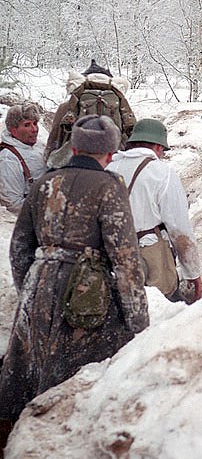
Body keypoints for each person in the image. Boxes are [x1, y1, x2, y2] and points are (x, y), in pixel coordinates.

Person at [0, 114, 149, 435]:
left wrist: (33, 287)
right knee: (80, 377)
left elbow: (19, 248)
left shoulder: (45, 182)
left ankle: (13, 439)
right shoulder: (110, 187)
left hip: (39, 283)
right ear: (109, 154)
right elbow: (124, 258)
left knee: (27, 367)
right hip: (86, 293)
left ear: (74, 148)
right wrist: (138, 321)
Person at [107, 118, 202, 303]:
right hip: (149, 258)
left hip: (111, 253)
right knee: (165, 311)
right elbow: (179, 229)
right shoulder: (162, 173)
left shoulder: (109, 167)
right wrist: (193, 272)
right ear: (158, 147)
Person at [44, 59, 137, 167]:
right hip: (113, 166)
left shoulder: (67, 107)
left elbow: (53, 142)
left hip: (74, 166)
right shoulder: (121, 106)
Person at [0, 103, 47, 214]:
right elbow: (13, 205)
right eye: (27, 125)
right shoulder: (8, 159)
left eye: (35, 123)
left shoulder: (38, 146)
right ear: (13, 130)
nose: (34, 129)